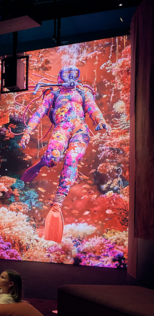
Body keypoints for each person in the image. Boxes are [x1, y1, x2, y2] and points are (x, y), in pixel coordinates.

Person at [18, 66, 110, 243]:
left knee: (72, 158)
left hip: (80, 130)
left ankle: (57, 202)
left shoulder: (83, 92)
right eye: (67, 74)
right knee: (53, 159)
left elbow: (92, 107)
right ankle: (42, 162)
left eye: (75, 75)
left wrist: (101, 121)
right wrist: (27, 131)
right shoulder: (53, 94)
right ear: (60, 77)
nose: (71, 78)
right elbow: (39, 112)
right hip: (62, 129)